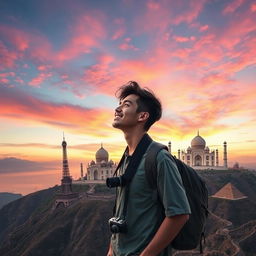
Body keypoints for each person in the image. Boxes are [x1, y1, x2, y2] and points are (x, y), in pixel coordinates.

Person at [107, 81, 191, 256]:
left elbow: (179, 214)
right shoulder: (126, 160)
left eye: (126, 104)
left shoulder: (159, 158)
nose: (118, 109)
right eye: (119, 104)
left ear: (142, 116)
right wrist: (111, 249)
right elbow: (122, 209)